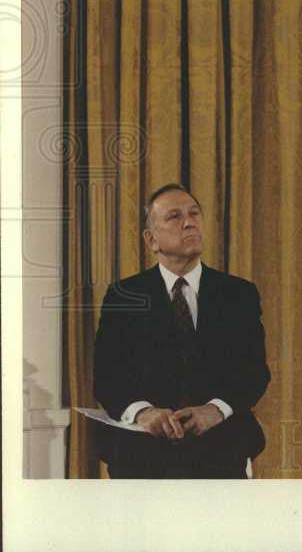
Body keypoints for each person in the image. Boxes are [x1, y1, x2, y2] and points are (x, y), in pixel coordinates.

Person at [94, 184, 270, 478]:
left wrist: (215, 410)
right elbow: (107, 377)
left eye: (194, 214)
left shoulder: (239, 293)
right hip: (142, 453)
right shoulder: (124, 295)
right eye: (174, 217)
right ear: (152, 240)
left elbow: (254, 372)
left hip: (223, 450)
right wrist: (143, 412)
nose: (189, 222)